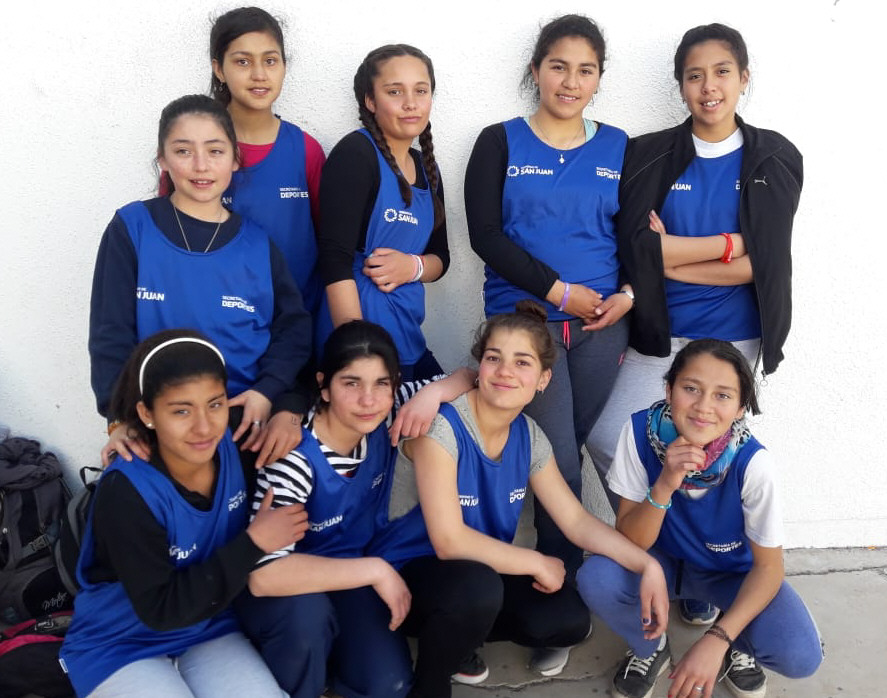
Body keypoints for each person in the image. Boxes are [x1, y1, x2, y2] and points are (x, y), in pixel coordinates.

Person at [587, 22, 803, 626]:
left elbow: (763, 263)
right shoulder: (651, 153)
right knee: (608, 434)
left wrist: (673, 256)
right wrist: (725, 247)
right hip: (661, 329)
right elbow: (637, 248)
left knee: (714, 453)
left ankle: (706, 567)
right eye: (694, 76)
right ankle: (659, 544)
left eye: (722, 72)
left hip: (734, 337)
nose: (709, 87)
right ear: (680, 85)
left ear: (744, 78)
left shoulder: (775, 157)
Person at [369, 302, 668, 698]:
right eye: (494, 358)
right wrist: (536, 562)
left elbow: (576, 521)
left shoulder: (529, 435)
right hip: (405, 577)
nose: (505, 371)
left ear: (543, 379)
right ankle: (431, 681)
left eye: (522, 362)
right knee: (476, 589)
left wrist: (647, 564)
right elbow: (449, 542)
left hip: (474, 577)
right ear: (480, 369)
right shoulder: (441, 427)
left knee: (567, 619)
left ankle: (459, 636)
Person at [465, 14, 633, 581]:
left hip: (602, 326)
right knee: (557, 454)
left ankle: (555, 570)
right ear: (536, 70)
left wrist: (629, 295)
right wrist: (560, 290)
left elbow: (637, 235)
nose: (571, 81)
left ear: (599, 78)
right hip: (526, 327)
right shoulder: (498, 141)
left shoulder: (618, 146)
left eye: (586, 70)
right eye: (559, 67)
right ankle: (561, 582)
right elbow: (486, 236)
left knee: (569, 447)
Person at [60, 330, 309, 697]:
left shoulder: (235, 437)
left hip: (207, 626)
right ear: (146, 413)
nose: (204, 427)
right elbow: (160, 609)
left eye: (215, 404)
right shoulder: (127, 491)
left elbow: (305, 383)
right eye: (181, 411)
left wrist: (289, 412)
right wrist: (254, 542)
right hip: (120, 642)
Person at [234, 320, 474, 698]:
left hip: (348, 575)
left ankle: (334, 664)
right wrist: (377, 570)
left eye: (381, 383)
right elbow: (264, 576)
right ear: (324, 386)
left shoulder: (388, 411)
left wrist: (432, 394)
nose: (368, 399)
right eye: (351, 383)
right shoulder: (293, 456)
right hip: (292, 592)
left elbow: (468, 377)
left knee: (389, 686)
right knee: (306, 621)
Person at [578, 339, 822, 698]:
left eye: (722, 395)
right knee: (598, 578)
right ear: (669, 390)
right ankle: (651, 646)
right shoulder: (639, 432)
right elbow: (630, 540)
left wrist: (718, 638)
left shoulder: (754, 464)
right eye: (691, 388)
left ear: (740, 408)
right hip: (660, 564)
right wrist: (665, 482)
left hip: (728, 573)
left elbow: (769, 568)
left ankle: (734, 639)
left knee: (799, 654)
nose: (703, 407)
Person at [89, 94, 311, 469]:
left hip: (243, 428)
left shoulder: (258, 244)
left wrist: (267, 391)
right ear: (162, 159)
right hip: (158, 428)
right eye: (183, 151)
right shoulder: (132, 228)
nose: (201, 165)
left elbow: (293, 330)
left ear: (235, 159)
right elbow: (110, 332)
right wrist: (118, 418)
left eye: (215, 151)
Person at [208, 6, 327, 455]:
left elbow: (328, 248)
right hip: (219, 348)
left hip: (292, 351)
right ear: (218, 69)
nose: (259, 74)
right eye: (242, 61)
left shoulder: (306, 151)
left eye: (270, 60)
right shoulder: (199, 151)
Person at [316, 44, 448, 381]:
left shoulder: (428, 168)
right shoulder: (356, 154)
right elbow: (334, 259)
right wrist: (358, 356)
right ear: (370, 101)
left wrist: (412, 266)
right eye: (395, 91)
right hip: (362, 343)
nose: (410, 103)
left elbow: (441, 258)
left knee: (457, 399)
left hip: (407, 337)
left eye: (421, 91)